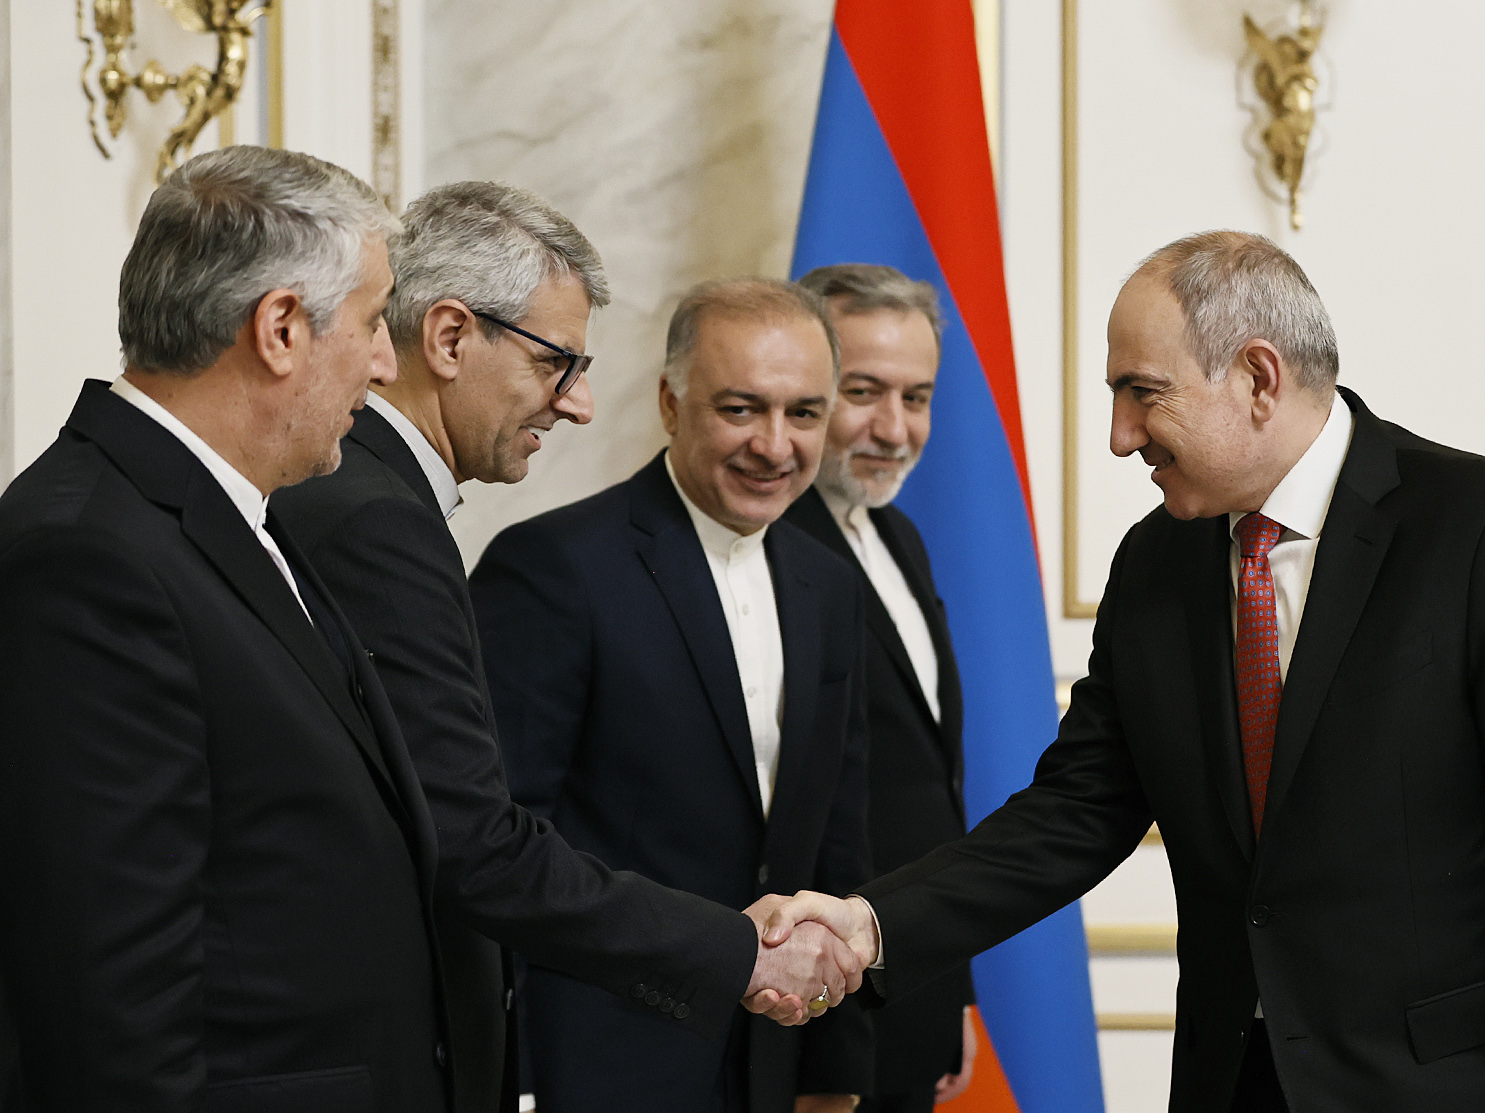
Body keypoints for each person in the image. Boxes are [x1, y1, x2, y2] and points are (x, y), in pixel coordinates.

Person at [762, 231, 1485, 1113]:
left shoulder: (1484, 531)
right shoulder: (1156, 561)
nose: (1119, 436)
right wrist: (870, 924)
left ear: (1259, 378)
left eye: (1142, 393)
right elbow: (1073, 812)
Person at [271, 184, 858, 1113]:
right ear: (451, 338)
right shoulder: (386, 521)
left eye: (807, 413)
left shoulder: (828, 577)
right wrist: (736, 949)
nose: (579, 404)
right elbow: (478, 843)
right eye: (557, 363)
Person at [0, 146, 449, 1111]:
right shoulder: (87, 555)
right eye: (374, 321)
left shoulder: (231, 511)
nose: (384, 362)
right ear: (280, 328)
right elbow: (109, 996)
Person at [471, 278, 875, 1113]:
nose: (774, 444)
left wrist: (832, 1071)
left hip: (770, 1064)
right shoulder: (554, 567)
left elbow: (838, 839)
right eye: (740, 408)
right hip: (597, 1064)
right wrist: (516, 1081)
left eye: (803, 413)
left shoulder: (831, 585)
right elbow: (496, 848)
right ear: (670, 402)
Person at [784, 265, 975, 1112]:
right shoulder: (766, 548)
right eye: (862, 392)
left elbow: (926, 790)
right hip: (817, 1014)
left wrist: (948, 987)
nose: (894, 429)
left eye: (917, 397)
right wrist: (822, 1054)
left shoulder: (899, 535)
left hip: (910, 984)